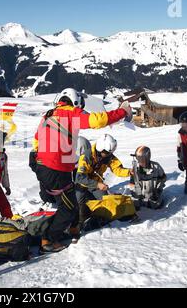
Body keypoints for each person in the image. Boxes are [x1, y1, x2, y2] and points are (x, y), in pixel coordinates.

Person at [31, 88, 132, 252]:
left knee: (70, 202)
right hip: (56, 170)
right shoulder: (70, 113)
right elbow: (98, 120)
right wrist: (122, 111)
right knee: (68, 208)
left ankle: (71, 229)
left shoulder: (48, 115)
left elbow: (36, 140)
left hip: (44, 168)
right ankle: (48, 240)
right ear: (75, 101)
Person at [75, 134, 132, 228]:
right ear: (101, 149)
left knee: (106, 202)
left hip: (96, 184)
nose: (109, 155)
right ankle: (79, 223)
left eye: (110, 152)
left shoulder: (107, 156)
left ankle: (99, 217)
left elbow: (117, 169)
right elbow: (79, 178)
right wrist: (97, 184)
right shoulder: (86, 157)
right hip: (83, 184)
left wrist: (129, 172)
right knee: (78, 204)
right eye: (107, 152)